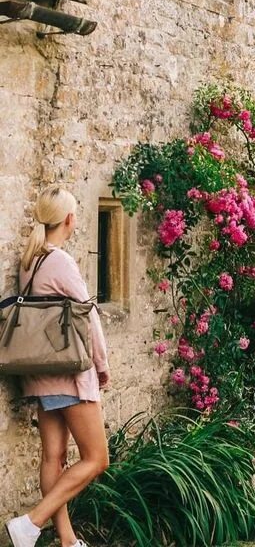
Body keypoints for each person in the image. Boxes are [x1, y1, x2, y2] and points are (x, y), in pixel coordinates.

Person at [5, 186, 110, 547]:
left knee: (54, 456)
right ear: (69, 219)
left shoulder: (28, 260)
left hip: (39, 373)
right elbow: (88, 315)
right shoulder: (60, 260)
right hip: (68, 371)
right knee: (97, 459)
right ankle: (31, 522)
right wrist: (102, 364)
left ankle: (67, 540)